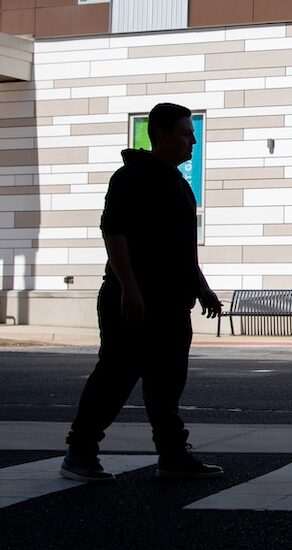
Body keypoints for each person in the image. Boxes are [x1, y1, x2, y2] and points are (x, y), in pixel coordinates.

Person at [60, 102, 224, 482]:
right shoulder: (130, 177)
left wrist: (202, 289)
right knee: (114, 377)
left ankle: (171, 456)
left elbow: (181, 248)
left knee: (166, 385)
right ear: (161, 135)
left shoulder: (179, 183)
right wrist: (130, 289)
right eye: (186, 133)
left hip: (172, 303)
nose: (193, 142)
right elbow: (113, 232)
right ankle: (79, 452)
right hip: (133, 302)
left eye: (193, 134)